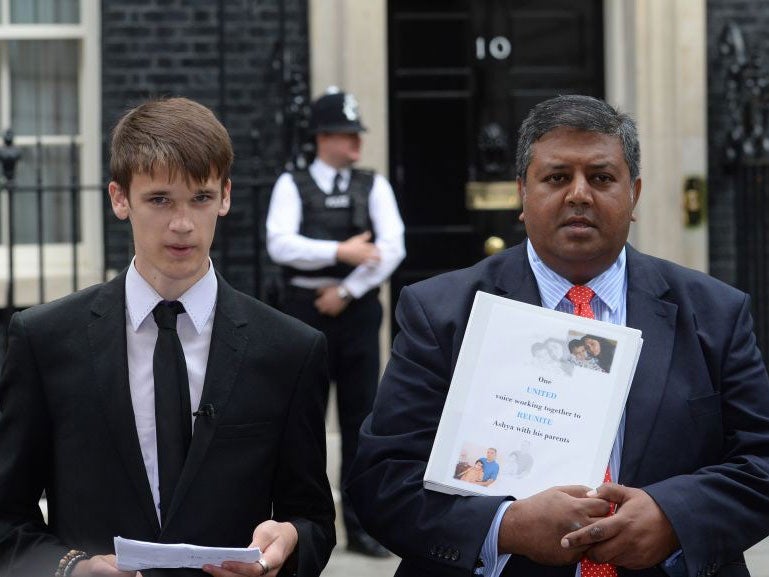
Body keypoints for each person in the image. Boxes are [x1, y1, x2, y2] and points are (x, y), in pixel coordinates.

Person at [346, 94, 769, 577]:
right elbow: (382, 480)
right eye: (557, 177)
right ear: (522, 194)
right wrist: (503, 526)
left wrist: (674, 517)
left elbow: (760, 460)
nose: (580, 194)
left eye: (602, 178)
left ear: (635, 194)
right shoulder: (439, 313)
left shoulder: (716, 312)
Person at [0, 97, 335, 577]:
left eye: (200, 197)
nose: (182, 223)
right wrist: (69, 569)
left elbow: (315, 520)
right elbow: (7, 519)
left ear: (224, 197)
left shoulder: (290, 349)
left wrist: (288, 542)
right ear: (120, 199)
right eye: (159, 199)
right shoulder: (45, 339)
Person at [266, 87, 405, 558]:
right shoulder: (293, 184)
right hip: (303, 311)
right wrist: (340, 252)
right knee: (300, 418)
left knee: (360, 418)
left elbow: (394, 247)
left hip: (357, 310)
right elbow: (280, 243)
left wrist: (347, 290)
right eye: (348, 135)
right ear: (324, 137)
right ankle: (298, 522)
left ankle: (361, 527)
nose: (357, 144)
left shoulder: (374, 184)